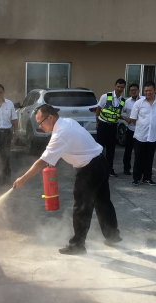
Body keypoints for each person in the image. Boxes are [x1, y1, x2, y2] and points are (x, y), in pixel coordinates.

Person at [13, 104, 121, 255]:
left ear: (50, 117)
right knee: (103, 201)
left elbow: (42, 161)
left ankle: (77, 245)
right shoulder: (68, 122)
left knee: (82, 207)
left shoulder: (60, 134)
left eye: (40, 122)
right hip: (101, 162)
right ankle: (112, 235)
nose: (39, 126)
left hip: (90, 169)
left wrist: (23, 178)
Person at [129, 81, 156, 186]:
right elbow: (133, 118)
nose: (147, 92)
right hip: (140, 135)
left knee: (149, 158)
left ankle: (147, 178)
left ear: (155, 90)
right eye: (146, 91)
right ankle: (136, 178)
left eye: (150, 90)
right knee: (138, 158)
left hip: (153, 135)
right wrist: (142, 125)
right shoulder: (139, 103)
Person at [95, 79, 126, 177]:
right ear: (115, 86)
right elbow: (98, 109)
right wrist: (97, 121)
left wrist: (125, 118)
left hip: (113, 127)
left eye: (122, 87)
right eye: (118, 86)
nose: (119, 89)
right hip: (103, 125)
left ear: (124, 88)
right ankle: (97, 169)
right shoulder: (106, 96)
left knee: (111, 149)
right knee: (99, 148)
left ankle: (109, 170)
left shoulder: (122, 101)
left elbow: (116, 114)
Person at [120, 83, 141, 175]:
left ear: (138, 90)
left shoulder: (144, 100)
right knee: (128, 150)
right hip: (131, 129)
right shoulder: (126, 102)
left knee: (140, 151)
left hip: (141, 130)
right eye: (131, 90)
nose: (133, 91)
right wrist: (125, 118)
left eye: (135, 90)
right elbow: (118, 112)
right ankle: (126, 168)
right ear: (129, 92)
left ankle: (139, 169)